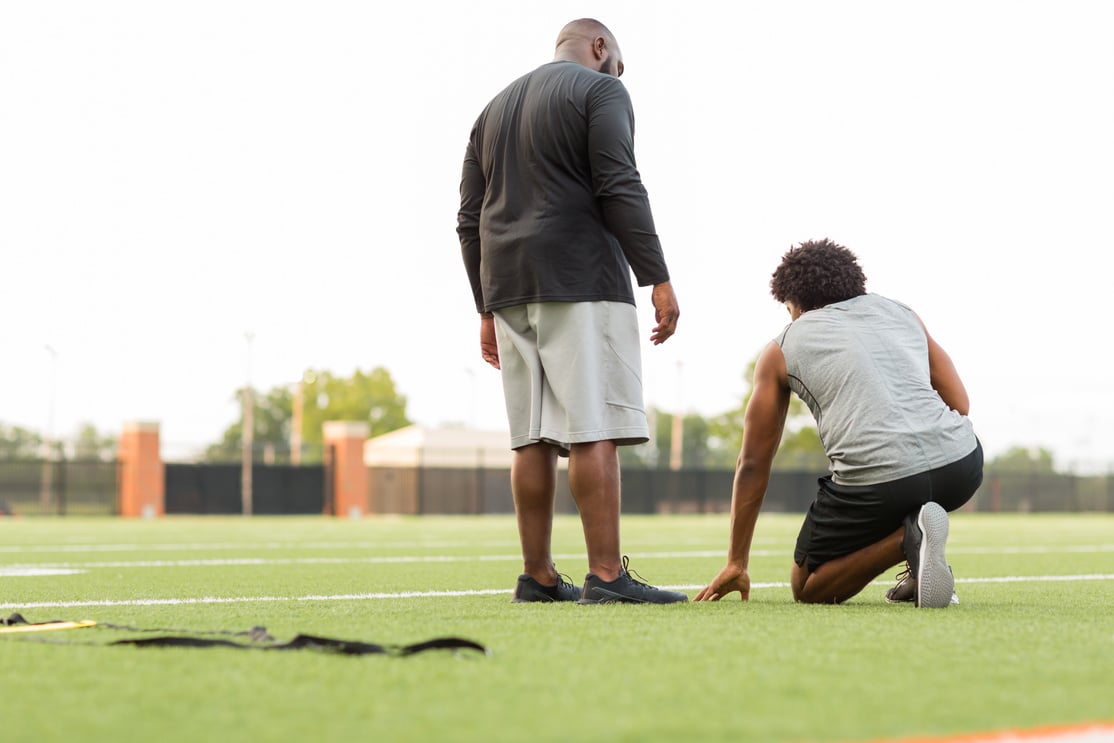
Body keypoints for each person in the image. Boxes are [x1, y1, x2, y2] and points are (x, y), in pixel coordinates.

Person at [456, 18, 686, 604]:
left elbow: (469, 217)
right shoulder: (602, 90)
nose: (618, 75)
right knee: (593, 427)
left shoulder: (492, 110)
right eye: (618, 63)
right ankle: (607, 577)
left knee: (530, 437)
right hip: (579, 276)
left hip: (506, 283)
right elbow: (618, 182)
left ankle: (537, 576)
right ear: (600, 47)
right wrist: (656, 276)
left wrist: (485, 307)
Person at [694, 239, 983, 608]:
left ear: (795, 303)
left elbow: (752, 462)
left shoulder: (781, 348)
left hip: (880, 481)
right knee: (912, 490)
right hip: (961, 466)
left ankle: (909, 540)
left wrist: (737, 561)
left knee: (808, 586)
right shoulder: (901, 313)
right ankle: (920, 556)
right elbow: (959, 403)